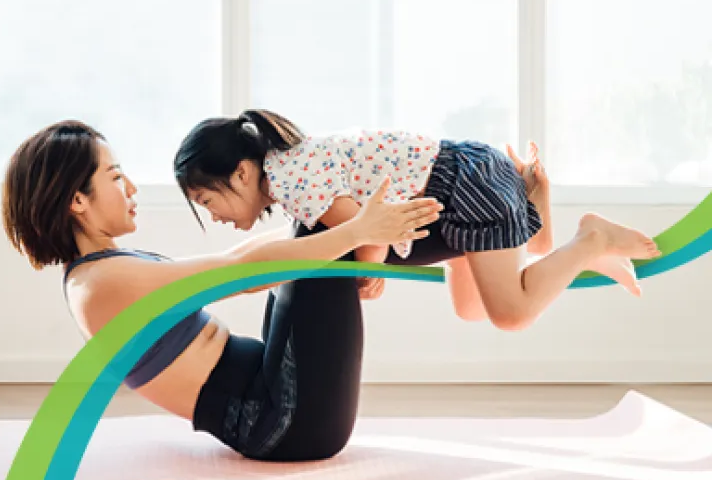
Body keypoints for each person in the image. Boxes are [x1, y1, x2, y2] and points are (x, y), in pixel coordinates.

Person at [1, 120, 442, 461]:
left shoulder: (104, 269)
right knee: (325, 227)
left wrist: (350, 229)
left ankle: (456, 218)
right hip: (286, 422)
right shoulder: (100, 284)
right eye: (115, 177)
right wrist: (358, 231)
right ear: (77, 200)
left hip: (284, 404)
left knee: (320, 224)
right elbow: (242, 272)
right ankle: (465, 221)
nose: (131, 188)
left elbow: (241, 256)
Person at [173, 109, 661, 331]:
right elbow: (367, 221)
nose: (214, 216)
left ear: (241, 173)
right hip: (463, 179)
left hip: (461, 187)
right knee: (472, 307)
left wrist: (371, 267)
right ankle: (543, 206)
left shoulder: (291, 179)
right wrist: (372, 258)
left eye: (207, 200)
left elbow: (372, 223)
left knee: (511, 313)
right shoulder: (293, 164)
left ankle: (592, 239)